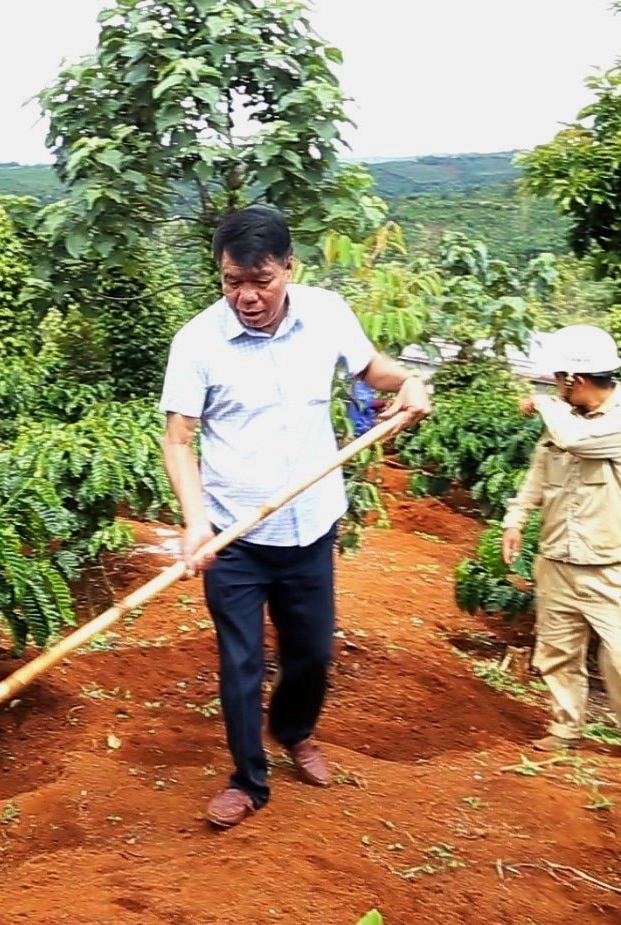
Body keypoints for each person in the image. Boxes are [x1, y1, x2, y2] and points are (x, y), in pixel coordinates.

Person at [159, 205, 432, 830]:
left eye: (261, 280)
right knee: (241, 661)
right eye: (232, 282)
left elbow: (372, 370)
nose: (247, 297)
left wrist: (409, 382)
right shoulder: (197, 342)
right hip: (233, 534)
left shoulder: (327, 314)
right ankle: (247, 780)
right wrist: (196, 523)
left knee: (310, 653)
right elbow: (179, 439)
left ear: (289, 268)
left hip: (310, 522)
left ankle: (295, 731)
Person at [500, 324, 621, 762]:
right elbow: (539, 474)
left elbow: (574, 441)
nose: (555, 388)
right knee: (558, 652)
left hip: (612, 564)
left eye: (557, 380)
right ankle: (565, 728)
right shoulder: (564, 417)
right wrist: (516, 518)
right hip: (556, 558)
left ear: (575, 379)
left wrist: (541, 403)